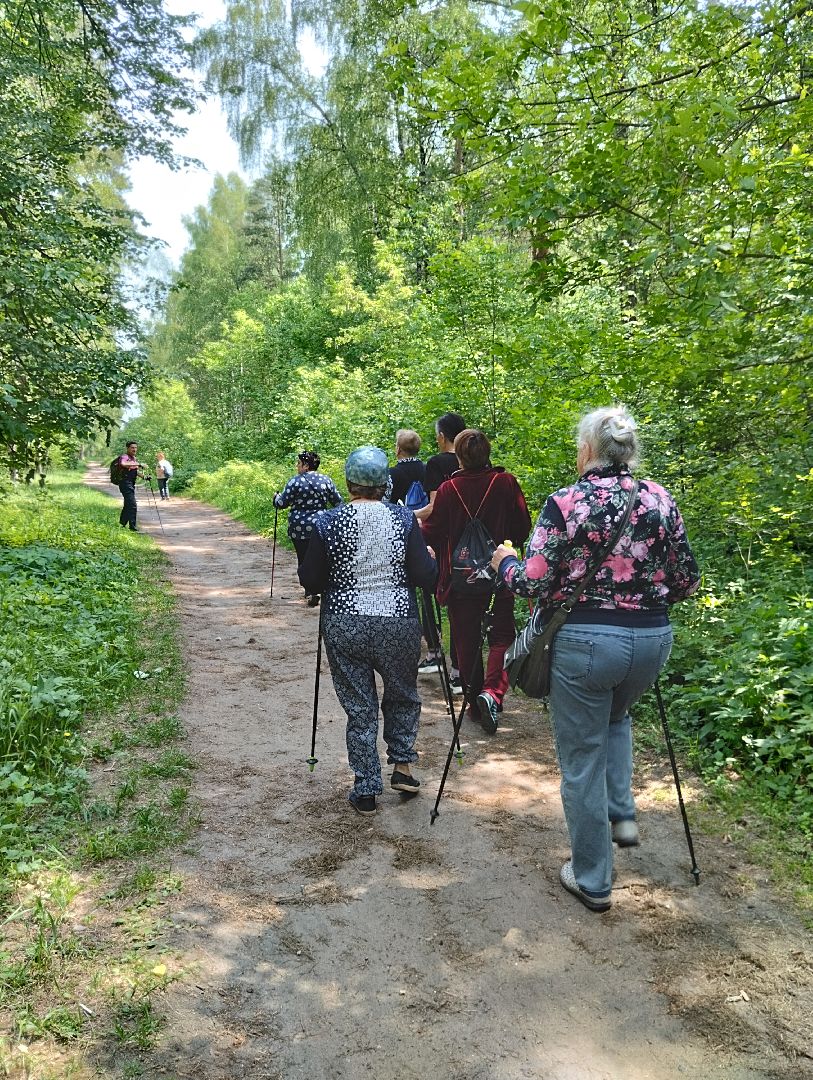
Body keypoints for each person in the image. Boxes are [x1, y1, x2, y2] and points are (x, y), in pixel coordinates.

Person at [490, 405, 700, 913]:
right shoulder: (658, 499)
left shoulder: (567, 502)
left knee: (582, 757)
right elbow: (688, 581)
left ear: (587, 450)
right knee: (617, 718)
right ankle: (622, 817)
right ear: (629, 451)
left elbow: (534, 583)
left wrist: (505, 562)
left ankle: (593, 879)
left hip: (585, 644)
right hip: (651, 641)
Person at [298, 446, 437, 816]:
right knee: (403, 693)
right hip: (397, 621)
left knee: (360, 707)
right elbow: (425, 576)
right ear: (385, 483)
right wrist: (431, 561)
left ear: (348, 483)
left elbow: (310, 579)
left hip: (345, 622)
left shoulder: (327, 522)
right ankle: (403, 766)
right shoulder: (404, 519)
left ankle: (365, 787)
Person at [422, 428, 531, 734]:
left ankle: (475, 703)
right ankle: (493, 694)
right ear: (488, 452)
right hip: (500, 572)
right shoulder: (505, 482)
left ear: (457, 455)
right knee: (501, 636)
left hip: (461, 579)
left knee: (466, 640)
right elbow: (522, 529)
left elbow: (432, 532)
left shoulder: (448, 489)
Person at [414, 412, 467, 686]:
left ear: (442, 436)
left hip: (441, 541)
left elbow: (434, 508)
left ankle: (434, 652)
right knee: (462, 606)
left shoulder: (436, 463)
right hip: (470, 543)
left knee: (429, 593)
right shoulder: (473, 460)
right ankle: (461, 670)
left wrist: (410, 516)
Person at [274, 451, 342, 607]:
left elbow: (282, 503)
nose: (297, 466)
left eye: (299, 463)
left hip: (300, 527)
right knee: (321, 557)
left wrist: (275, 498)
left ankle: (310, 589)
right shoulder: (326, 480)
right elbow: (338, 502)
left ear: (306, 465)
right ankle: (320, 588)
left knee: (303, 557)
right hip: (322, 525)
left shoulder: (295, 482)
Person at [116, 441, 149, 532]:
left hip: (131, 484)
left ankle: (122, 524)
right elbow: (123, 464)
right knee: (132, 505)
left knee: (128, 504)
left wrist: (144, 477)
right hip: (125, 483)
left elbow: (135, 471)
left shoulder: (133, 458)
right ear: (127, 448)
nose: (134, 449)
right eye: (132, 447)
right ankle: (132, 527)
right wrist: (139, 464)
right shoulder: (124, 457)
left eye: (135, 448)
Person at [388, 429, 425, 505]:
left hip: (401, 516)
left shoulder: (392, 473)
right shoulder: (428, 469)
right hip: (426, 515)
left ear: (398, 449)